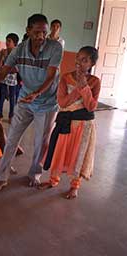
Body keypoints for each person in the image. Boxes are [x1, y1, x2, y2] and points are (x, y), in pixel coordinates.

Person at [0, 14, 63, 191]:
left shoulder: (55, 47)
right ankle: (1, 177)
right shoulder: (19, 50)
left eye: (44, 32)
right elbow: (3, 72)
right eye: (37, 32)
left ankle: (34, 174)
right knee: (12, 139)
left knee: (41, 142)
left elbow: (51, 76)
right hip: (25, 99)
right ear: (28, 31)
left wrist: (37, 93)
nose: (41, 36)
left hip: (46, 103)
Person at [39, 46, 100, 199]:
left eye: (84, 60)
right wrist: (78, 88)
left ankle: (75, 186)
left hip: (84, 126)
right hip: (66, 123)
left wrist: (84, 86)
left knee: (78, 155)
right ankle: (53, 180)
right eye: (78, 58)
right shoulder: (66, 77)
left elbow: (91, 106)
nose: (79, 62)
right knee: (59, 152)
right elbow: (63, 102)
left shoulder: (95, 81)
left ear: (92, 63)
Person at [0, 33, 21, 122]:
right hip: (3, 78)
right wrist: (2, 57)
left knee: (12, 97)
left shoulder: (17, 54)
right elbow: (0, 67)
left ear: (14, 43)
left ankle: (11, 115)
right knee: (2, 96)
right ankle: (0, 114)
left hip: (12, 80)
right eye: (6, 40)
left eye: (9, 41)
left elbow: (16, 69)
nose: (7, 43)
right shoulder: (3, 52)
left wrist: (6, 69)